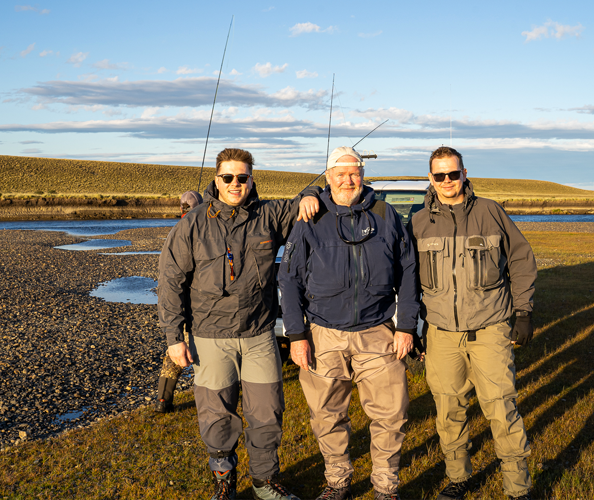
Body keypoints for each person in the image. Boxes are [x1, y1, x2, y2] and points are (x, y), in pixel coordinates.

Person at [158, 148, 321, 500]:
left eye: (242, 177)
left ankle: (265, 482)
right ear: (216, 180)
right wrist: (174, 336)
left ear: (251, 179)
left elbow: (306, 201)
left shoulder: (268, 214)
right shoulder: (194, 222)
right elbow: (170, 280)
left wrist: (310, 193)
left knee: (267, 413)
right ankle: (224, 483)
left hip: (259, 335)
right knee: (217, 416)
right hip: (209, 337)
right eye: (228, 177)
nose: (236, 183)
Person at [278, 146, 419, 500]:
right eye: (339, 173)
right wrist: (297, 335)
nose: (347, 179)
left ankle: (386, 488)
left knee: (391, 415)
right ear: (327, 177)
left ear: (363, 174)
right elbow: (290, 279)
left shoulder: (387, 216)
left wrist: (406, 326)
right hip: (323, 334)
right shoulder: (310, 218)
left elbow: (408, 273)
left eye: (353, 172)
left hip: (378, 332)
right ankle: (337, 482)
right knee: (327, 415)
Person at [407, 147, 537, 500]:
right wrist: (411, 326)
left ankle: (518, 488)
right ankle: (458, 478)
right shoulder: (418, 222)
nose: (447, 181)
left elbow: (522, 260)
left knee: (501, 408)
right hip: (441, 335)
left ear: (465, 173)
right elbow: (407, 279)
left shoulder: (490, 212)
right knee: (448, 410)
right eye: (439, 175)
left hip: (490, 329)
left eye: (453, 174)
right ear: (429, 178)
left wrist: (523, 313)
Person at [155, 190, 204, 414]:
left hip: (176, 306)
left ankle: (163, 401)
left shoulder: (176, 231)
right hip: (196, 306)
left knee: (173, 356)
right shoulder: (202, 229)